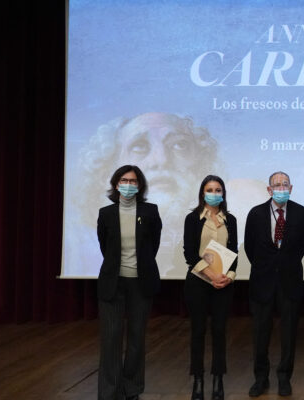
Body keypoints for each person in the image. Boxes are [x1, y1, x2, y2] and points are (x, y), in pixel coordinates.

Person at [75, 112, 218, 275]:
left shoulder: (216, 224)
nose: (161, 160)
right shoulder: (78, 246)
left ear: (201, 161)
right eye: (139, 147)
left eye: (179, 145)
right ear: (108, 170)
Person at [96, 165, 162, 400]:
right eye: (124, 180)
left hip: (140, 284)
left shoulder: (150, 211)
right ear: (116, 184)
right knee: (111, 339)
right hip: (112, 284)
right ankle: (109, 392)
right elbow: (105, 247)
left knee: (136, 338)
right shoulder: (106, 213)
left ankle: (132, 389)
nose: (128, 185)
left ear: (139, 185)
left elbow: (153, 245)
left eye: (133, 181)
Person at [244, 171, 304, 397]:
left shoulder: (300, 212)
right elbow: (250, 247)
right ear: (269, 189)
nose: (281, 188)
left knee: (289, 333)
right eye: (276, 185)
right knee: (260, 333)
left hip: (290, 281)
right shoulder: (255, 213)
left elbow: (301, 246)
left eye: (285, 184)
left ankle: (284, 377)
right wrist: (267, 266)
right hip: (262, 281)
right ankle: (260, 378)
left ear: (291, 188)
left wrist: (284, 264)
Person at [183, 175, 238, 400]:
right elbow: (189, 252)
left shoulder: (230, 219)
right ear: (202, 193)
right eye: (209, 190)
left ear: (223, 193)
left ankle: (218, 379)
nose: (214, 194)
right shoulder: (192, 218)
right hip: (198, 282)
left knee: (219, 331)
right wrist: (211, 275)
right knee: (198, 331)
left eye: (218, 190)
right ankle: (198, 380)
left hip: (223, 284)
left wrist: (228, 277)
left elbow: (233, 252)